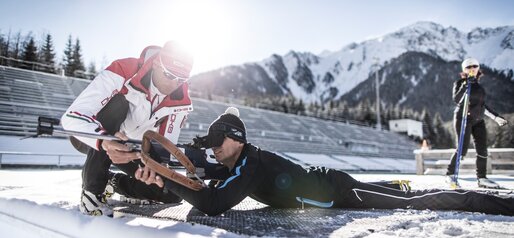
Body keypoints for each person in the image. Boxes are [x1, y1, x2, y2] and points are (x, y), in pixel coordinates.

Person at [136, 107, 514, 217]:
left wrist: (167, 180)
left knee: (417, 203)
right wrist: (156, 160)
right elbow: (194, 162)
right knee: (394, 191)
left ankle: (490, 201)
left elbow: (214, 204)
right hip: (332, 179)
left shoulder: (249, 164)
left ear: (237, 140)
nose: (214, 148)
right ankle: (393, 185)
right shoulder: (235, 162)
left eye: (219, 141)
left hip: (336, 191)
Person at [61, 41, 195, 216]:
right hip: (92, 137)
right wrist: (104, 141)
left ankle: (113, 181)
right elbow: (71, 117)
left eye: (181, 79)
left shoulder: (181, 101)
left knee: (171, 191)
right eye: (169, 75)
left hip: (134, 149)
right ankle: (92, 190)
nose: (173, 84)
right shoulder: (123, 69)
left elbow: (164, 148)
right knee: (118, 104)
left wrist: (155, 167)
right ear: (156, 63)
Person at [446, 58, 508, 188]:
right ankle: (450, 175)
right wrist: (465, 85)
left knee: (482, 150)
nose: (472, 68)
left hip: (478, 120)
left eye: (474, 66)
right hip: (463, 118)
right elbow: (457, 99)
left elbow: (482, 106)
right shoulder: (459, 83)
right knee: (462, 149)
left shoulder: (479, 87)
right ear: (464, 70)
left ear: (478, 68)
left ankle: (482, 178)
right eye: (468, 67)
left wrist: (496, 117)